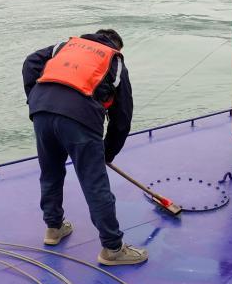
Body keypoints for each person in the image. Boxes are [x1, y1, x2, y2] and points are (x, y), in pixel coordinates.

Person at [22, 28, 148, 266]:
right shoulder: (114, 61)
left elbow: (30, 63)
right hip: (80, 117)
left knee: (50, 172)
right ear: (117, 47)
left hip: (41, 111)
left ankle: (54, 228)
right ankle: (113, 249)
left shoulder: (65, 46)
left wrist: (34, 98)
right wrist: (107, 153)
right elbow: (122, 119)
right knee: (95, 185)